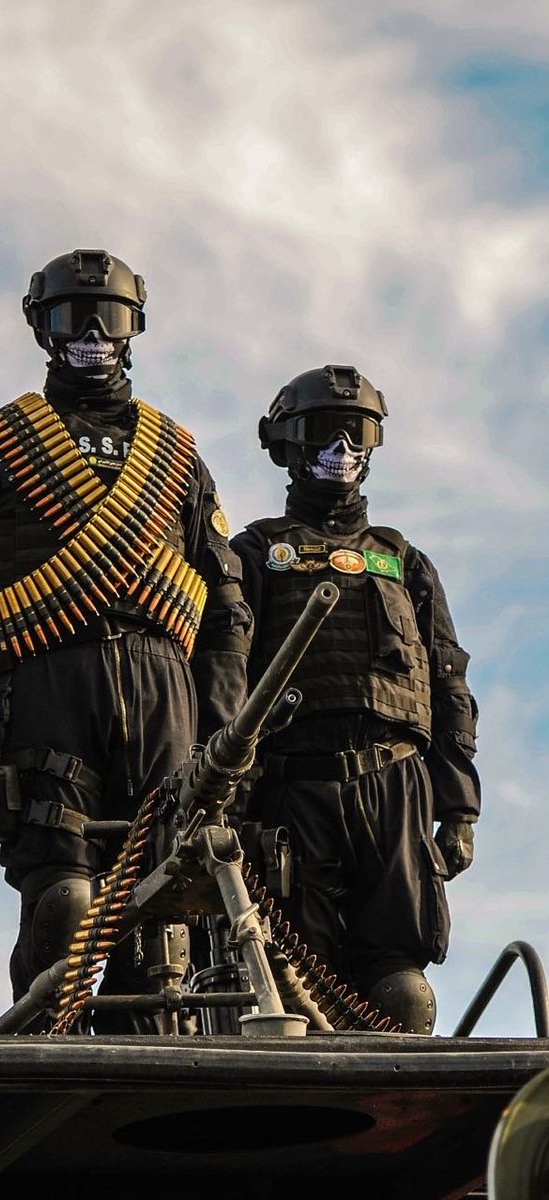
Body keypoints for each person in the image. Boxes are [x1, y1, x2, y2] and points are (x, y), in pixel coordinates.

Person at [0, 248, 252, 1010]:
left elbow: (226, 609)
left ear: (135, 329)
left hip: (167, 703)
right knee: (62, 905)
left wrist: (223, 728)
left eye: (110, 317)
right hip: (44, 690)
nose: (93, 334)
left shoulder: (177, 454)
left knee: (164, 925)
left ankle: (152, 1066)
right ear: (44, 329)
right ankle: (48, 1052)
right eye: (73, 317)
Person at [231, 365, 480, 1033]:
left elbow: (449, 687)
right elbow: (224, 681)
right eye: (323, 431)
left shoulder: (404, 561)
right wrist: (230, 797)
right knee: (294, 981)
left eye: (358, 432)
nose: (341, 449)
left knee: (403, 987)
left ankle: (400, 1093)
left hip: (396, 787)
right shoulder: (254, 553)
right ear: (288, 443)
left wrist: (458, 809)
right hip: (292, 788)